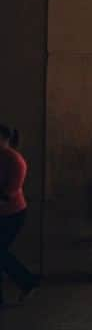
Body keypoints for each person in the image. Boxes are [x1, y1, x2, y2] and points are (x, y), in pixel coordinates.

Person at [0, 124, 38, 305]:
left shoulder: (15, 161)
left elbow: (9, 193)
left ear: (4, 138)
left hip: (12, 214)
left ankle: (27, 281)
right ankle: (26, 282)